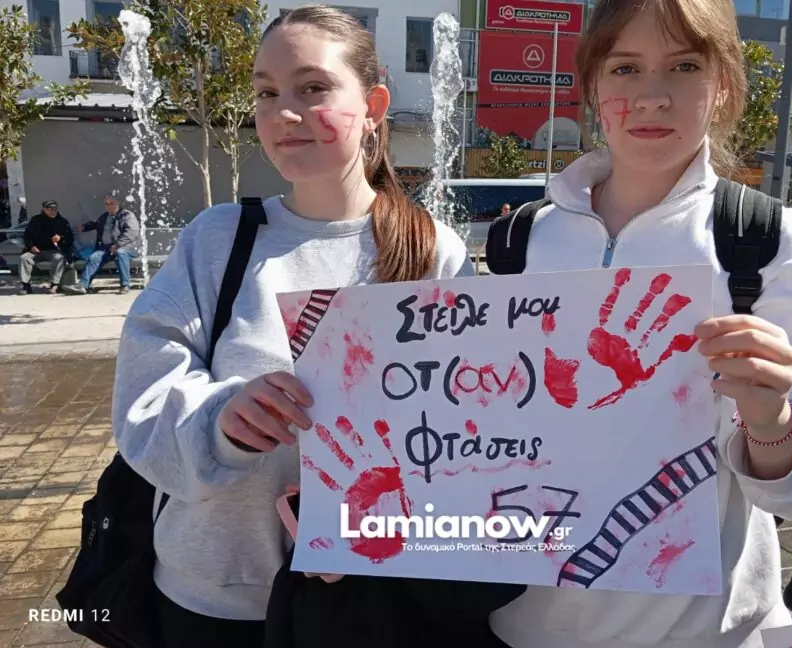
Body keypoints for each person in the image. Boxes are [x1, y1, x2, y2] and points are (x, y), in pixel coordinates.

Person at [486, 1, 792, 647]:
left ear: (722, 85)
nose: (652, 96)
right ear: (592, 86)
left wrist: (770, 421)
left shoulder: (768, 246)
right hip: (518, 629)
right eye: (625, 68)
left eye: (684, 66)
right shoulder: (520, 242)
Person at [110, 4, 476, 647]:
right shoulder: (219, 240)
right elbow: (143, 398)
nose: (283, 113)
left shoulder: (432, 252)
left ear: (374, 105)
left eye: (312, 88)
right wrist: (224, 419)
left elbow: (469, 429)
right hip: (213, 601)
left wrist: (380, 529)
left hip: (368, 596)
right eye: (267, 93)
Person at [66, 195, 141, 295]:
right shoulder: (104, 216)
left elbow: (131, 232)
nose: (109, 206)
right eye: (107, 204)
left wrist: (118, 244)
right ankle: (83, 285)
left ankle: (125, 285)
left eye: (112, 203)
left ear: (118, 204)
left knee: (120, 253)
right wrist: (85, 227)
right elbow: (97, 224)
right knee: (94, 257)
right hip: (107, 248)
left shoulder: (127, 215)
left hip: (127, 247)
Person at [17, 200, 74, 295]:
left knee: (59, 258)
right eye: (50, 209)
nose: (53, 211)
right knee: (24, 258)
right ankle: (26, 286)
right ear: (44, 209)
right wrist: (31, 246)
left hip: (54, 250)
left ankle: (54, 284)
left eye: (55, 209)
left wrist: (60, 238)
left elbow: (70, 238)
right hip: (36, 250)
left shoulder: (62, 222)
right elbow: (27, 235)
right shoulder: (35, 220)